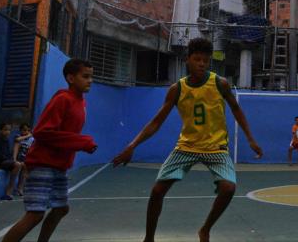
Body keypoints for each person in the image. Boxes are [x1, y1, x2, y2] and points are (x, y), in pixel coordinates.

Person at [112, 37, 263, 242]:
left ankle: (205, 229)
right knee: (157, 190)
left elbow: (236, 110)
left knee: (228, 188)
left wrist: (250, 139)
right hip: (186, 147)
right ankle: (148, 238)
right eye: (197, 59)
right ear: (188, 60)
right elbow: (157, 122)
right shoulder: (178, 89)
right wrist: (132, 145)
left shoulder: (220, 84)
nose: (201, 63)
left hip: (216, 148)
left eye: (205, 60)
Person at [1, 59, 98, 242]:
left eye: (91, 77)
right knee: (35, 214)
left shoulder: (80, 103)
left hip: (59, 166)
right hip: (43, 164)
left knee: (61, 208)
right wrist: (81, 142)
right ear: (70, 78)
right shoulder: (63, 99)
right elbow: (42, 132)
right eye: (85, 76)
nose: (90, 80)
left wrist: (80, 143)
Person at [0, 122, 23, 200]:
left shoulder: (6, 140)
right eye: (5, 130)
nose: (8, 132)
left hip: (6, 161)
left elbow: (8, 153)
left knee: (23, 165)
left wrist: (11, 159)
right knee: (17, 164)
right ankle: (9, 190)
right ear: (0, 130)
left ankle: (19, 188)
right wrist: (10, 160)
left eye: (9, 130)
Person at [12, 123, 34, 196]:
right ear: (20, 130)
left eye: (28, 130)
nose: (26, 131)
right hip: (18, 158)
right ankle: (12, 188)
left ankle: (20, 188)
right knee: (16, 172)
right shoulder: (18, 136)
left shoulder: (31, 140)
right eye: (24, 130)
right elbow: (17, 140)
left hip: (25, 159)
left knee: (23, 174)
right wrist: (28, 135)